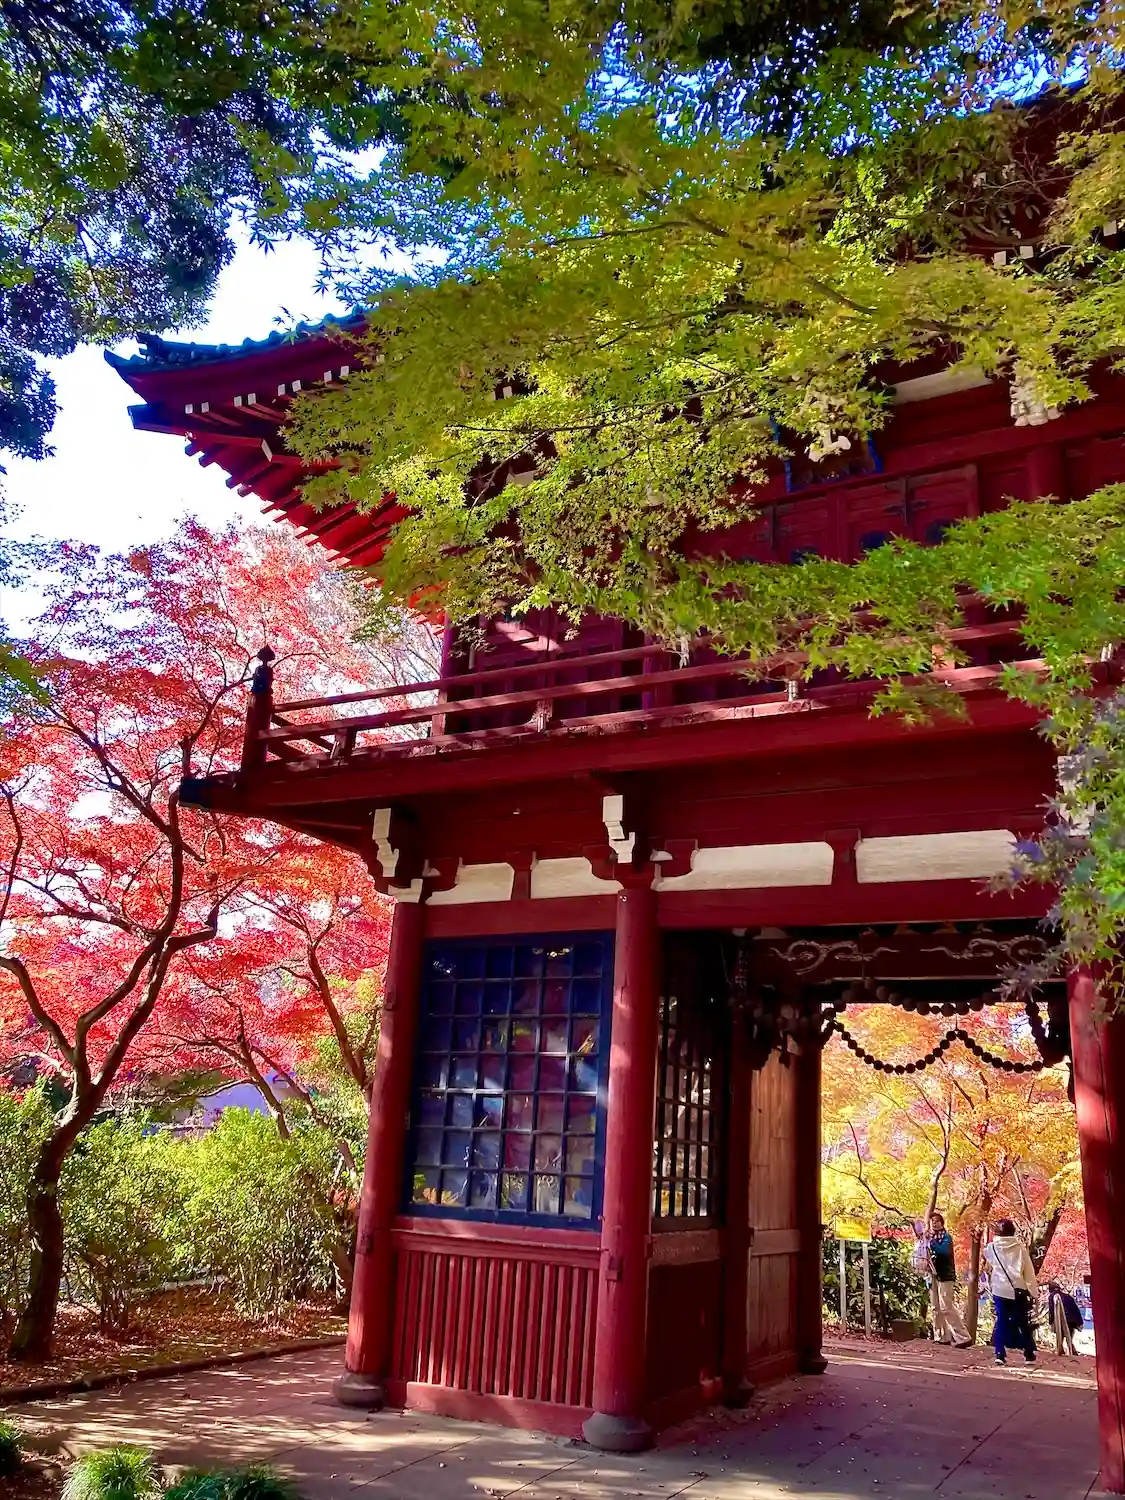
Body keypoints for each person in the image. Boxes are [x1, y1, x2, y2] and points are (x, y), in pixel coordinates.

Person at [984, 1219, 1038, 1365]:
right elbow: (1028, 1271)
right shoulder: (1020, 1248)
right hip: (1018, 1289)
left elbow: (988, 1258)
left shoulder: (991, 1248)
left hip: (1000, 1288)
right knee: (1022, 1322)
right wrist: (1033, 1292)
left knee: (1001, 1320)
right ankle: (1028, 1354)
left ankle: (1000, 1354)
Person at [926, 1212, 972, 1348]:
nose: (934, 1223)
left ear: (942, 1222)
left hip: (945, 1275)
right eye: (932, 1221)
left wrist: (931, 1243)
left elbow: (944, 1252)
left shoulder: (946, 1237)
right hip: (932, 1274)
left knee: (946, 1306)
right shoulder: (927, 1237)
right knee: (935, 1307)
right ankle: (941, 1336)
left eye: (937, 1221)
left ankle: (963, 1337)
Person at [1047, 1281, 1084, 1355]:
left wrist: (1051, 1321)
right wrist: (1080, 1322)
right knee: (1069, 1336)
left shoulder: (1053, 1296)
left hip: (1061, 1319)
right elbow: (1076, 1309)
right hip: (1072, 1320)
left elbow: (1052, 1309)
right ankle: (1071, 1351)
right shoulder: (1068, 1297)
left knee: (1061, 1335)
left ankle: (1062, 1350)